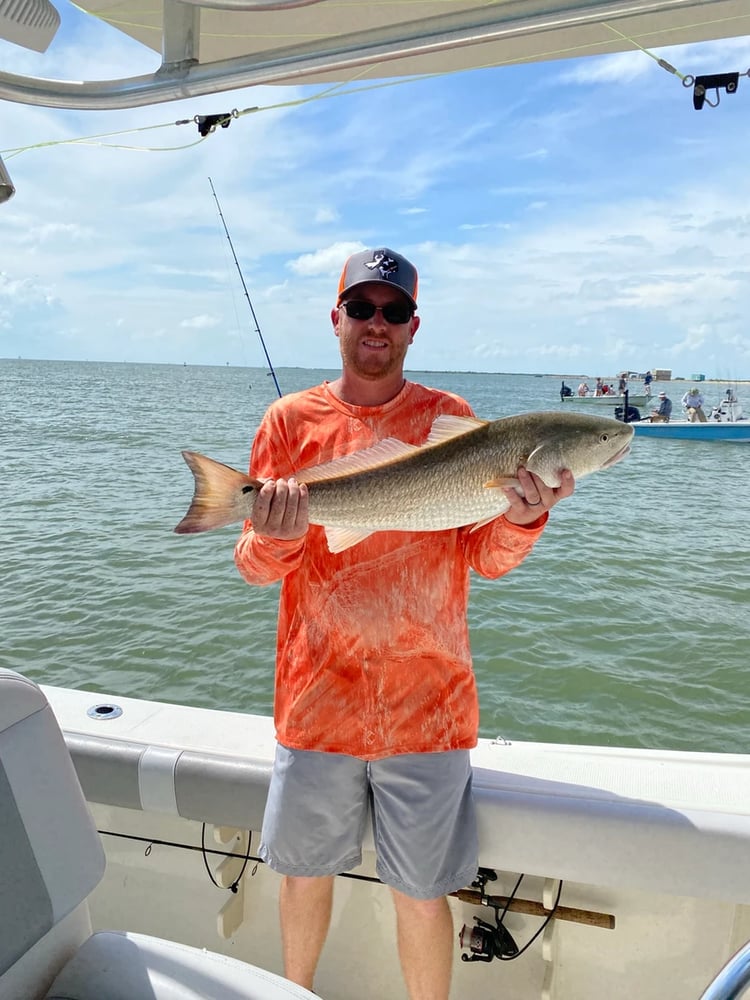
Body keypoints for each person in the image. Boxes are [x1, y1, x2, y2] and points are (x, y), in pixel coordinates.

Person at [233, 247, 575, 999]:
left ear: (414, 326)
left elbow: (485, 556)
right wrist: (280, 534)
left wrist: (525, 518)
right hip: (316, 701)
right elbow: (255, 568)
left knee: (422, 891)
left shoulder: (451, 422)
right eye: (362, 308)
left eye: (393, 311)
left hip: (430, 707)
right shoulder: (288, 423)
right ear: (336, 318)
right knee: (301, 878)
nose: (376, 324)